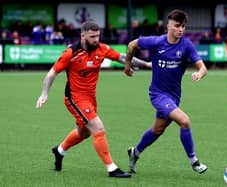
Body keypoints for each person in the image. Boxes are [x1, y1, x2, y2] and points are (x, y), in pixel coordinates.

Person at [35, 21, 150, 178]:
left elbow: (122, 57)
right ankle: (111, 168)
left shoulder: (102, 48)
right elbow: (51, 73)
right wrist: (44, 94)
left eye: (98, 36)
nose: (96, 39)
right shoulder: (70, 53)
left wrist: (147, 64)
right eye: (92, 36)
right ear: (83, 35)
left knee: (84, 132)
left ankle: (59, 150)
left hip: (90, 98)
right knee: (97, 127)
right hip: (74, 98)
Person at [124, 9, 208, 174]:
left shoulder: (186, 45)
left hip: (174, 97)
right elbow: (132, 44)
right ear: (169, 25)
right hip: (157, 95)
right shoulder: (156, 42)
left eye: (183, 26)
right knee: (184, 121)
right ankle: (194, 161)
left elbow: (202, 66)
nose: (180, 29)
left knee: (157, 130)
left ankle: (135, 152)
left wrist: (200, 73)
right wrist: (127, 65)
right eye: (177, 26)